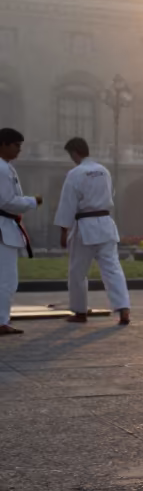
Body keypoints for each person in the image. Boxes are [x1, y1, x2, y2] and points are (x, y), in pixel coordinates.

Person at [54, 138, 130, 326]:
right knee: (112, 269)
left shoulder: (75, 173)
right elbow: (109, 195)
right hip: (105, 224)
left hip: (85, 227)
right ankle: (124, 309)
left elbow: (67, 204)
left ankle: (80, 312)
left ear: (74, 153)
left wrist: (64, 230)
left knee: (77, 271)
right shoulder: (104, 171)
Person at [0, 128, 41, 336]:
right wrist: (32, 201)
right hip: (3, 227)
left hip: (6, 225)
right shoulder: (2, 168)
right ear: (4, 144)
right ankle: (1, 321)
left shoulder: (6, 167)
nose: (19, 150)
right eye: (16, 145)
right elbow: (7, 202)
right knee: (6, 278)